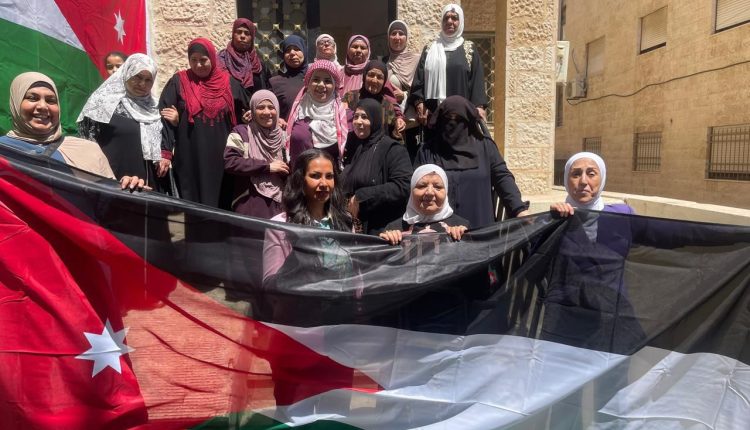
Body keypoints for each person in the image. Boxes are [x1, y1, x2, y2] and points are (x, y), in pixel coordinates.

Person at [0, 72, 145, 191]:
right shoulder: (3, 151)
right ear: (16, 103)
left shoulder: (87, 150)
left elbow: (108, 204)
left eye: (51, 100)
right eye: (32, 98)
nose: (43, 106)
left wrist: (129, 187)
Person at [158, 38, 248, 208]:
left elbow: (247, 111)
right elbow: (164, 118)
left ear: (212, 58)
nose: (198, 65)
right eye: (193, 60)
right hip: (190, 156)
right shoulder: (179, 81)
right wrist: (166, 152)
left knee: (222, 203)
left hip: (222, 158)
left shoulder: (229, 83)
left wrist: (248, 118)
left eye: (203, 60)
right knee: (192, 205)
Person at [415, 96, 529, 228]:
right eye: (447, 119)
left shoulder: (485, 147)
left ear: (468, 121)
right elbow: (416, 189)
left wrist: (519, 209)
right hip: (440, 232)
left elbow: (502, 178)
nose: (452, 124)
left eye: (458, 120)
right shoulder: (428, 151)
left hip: (480, 229)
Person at [78, 53, 172, 192]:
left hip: (152, 184)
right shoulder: (102, 103)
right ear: (127, 73)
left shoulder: (156, 107)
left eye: (148, 80)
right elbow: (87, 143)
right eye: (137, 77)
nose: (142, 84)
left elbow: (167, 138)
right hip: (114, 183)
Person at [263, 148, 354, 284]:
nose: (324, 184)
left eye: (329, 176)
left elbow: (357, 277)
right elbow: (270, 284)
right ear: (301, 180)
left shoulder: (345, 221)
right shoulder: (279, 227)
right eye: (315, 176)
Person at [342, 98, 412, 235]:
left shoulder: (393, 149)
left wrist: (362, 196)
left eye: (364, 117)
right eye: (356, 116)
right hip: (357, 230)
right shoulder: (359, 149)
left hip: (384, 232)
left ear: (375, 120)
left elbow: (403, 186)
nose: (358, 121)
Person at [410, 3, 488, 125]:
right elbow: (419, 81)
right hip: (433, 118)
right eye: (446, 18)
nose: (449, 21)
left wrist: (479, 107)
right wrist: (419, 103)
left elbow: (477, 81)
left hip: (462, 119)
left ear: (460, 22)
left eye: (454, 18)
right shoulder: (429, 49)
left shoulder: (470, 49)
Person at [224, 90, 288, 218]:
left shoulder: (285, 136)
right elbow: (230, 161)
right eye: (260, 107)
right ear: (253, 110)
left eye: (271, 107)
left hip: (280, 202)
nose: (266, 112)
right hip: (250, 201)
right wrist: (267, 166)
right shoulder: (241, 132)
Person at [379, 164, 469, 245]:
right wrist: (386, 241)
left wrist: (464, 237)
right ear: (411, 191)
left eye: (438, 187)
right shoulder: (394, 229)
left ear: (446, 192)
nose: (430, 192)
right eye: (422, 186)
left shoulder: (461, 225)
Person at [286, 60, 348, 169]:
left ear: (334, 85)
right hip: (298, 176)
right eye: (316, 80)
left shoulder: (344, 115)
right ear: (308, 83)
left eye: (327, 81)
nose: (321, 85)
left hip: (328, 177)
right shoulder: (297, 111)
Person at [550, 152, 635, 217]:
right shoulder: (556, 218)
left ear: (602, 178)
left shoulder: (623, 215)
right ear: (566, 180)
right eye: (576, 174)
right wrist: (550, 219)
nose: (583, 181)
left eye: (591, 174)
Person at [383, 20, 422, 160]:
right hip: (389, 120)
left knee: (411, 160)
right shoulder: (384, 62)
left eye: (401, 33)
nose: (397, 37)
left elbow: (422, 87)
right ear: (388, 37)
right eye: (393, 33)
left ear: (407, 37)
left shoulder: (417, 60)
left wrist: (405, 95)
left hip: (411, 122)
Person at [342, 60, 405, 139]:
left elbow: (395, 135)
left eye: (379, 77)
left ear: (384, 81)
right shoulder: (350, 97)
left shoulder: (387, 105)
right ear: (364, 76)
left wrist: (397, 129)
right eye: (371, 75)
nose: (374, 80)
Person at [217, 18, 271, 100]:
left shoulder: (259, 65)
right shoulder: (221, 60)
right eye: (239, 32)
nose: (242, 36)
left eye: (247, 33)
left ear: (252, 38)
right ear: (233, 35)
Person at [268, 35, 308, 128]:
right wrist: (277, 119)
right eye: (287, 50)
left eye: (297, 49)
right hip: (286, 134)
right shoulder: (275, 82)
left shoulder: (316, 80)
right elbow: (267, 109)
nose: (292, 53)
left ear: (304, 52)